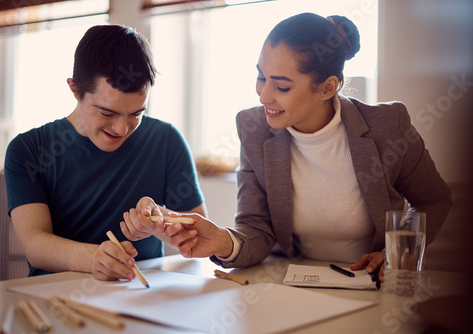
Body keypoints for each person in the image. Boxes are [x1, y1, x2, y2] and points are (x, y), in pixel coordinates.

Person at [158, 12, 452, 282]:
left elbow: (433, 199)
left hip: (370, 286)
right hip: (288, 286)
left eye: (281, 86)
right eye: (261, 77)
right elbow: (256, 229)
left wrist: (397, 253)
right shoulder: (254, 130)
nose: (263, 96)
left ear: (327, 87)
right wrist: (224, 240)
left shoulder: (388, 126)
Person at [4, 25, 206, 281]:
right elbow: (35, 245)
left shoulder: (166, 140)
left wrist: (161, 223)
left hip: (142, 296)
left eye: (136, 114)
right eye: (107, 113)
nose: (121, 129)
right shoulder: (28, 149)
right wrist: (94, 258)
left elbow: (198, 231)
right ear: (75, 89)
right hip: (56, 297)